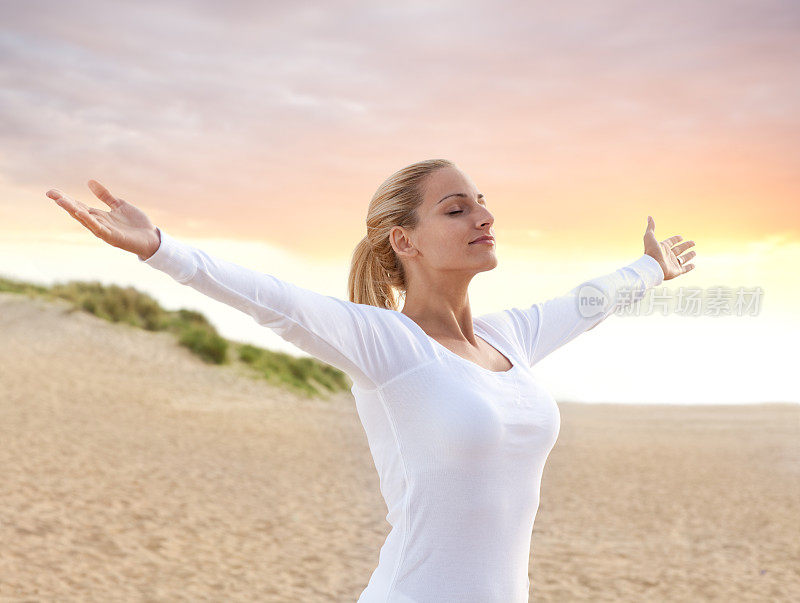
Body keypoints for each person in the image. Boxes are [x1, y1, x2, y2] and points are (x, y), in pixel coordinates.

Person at [47, 159, 696, 602]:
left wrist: (649, 269)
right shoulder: (387, 343)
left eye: (484, 204)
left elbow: (586, 301)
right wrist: (161, 247)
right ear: (404, 240)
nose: (483, 217)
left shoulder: (511, 336)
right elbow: (273, 297)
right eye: (456, 209)